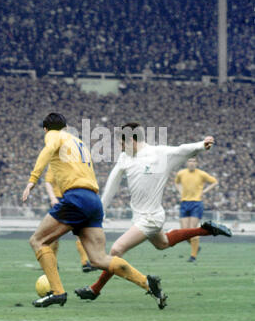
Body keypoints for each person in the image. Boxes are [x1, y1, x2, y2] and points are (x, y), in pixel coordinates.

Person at [22, 113, 166, 309]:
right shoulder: (78, 142)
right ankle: (147, 283)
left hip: (76, 198)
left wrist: (32, 180)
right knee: (99, 259)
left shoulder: (54, 135)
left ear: (47, 129)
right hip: (93, 200)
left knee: (37, 241)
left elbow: (48, 150)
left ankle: (57, 293)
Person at [75, 123, 231, 302]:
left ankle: (95, 289)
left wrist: (201, 145)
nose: (120, 147)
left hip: (152, 218)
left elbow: (182, 150)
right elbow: (112, 184)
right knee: (162, 243)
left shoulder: (160, 154)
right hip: (140, 218)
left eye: (122, 143)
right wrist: (100, 212)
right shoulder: (125, 157)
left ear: (133, 140)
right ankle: (206, 230)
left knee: (117, 249)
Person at [45, 164, 97, 272]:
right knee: (55, 234)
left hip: (73, 198)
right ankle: (52, 263)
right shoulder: (55, 163)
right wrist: (52, 198)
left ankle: (85, 262)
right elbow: (48, 182)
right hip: (59, 200)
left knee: (81, 231)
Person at [175, 157, 218, 262]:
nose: (191, 163)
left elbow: (214, 182)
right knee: (184, 233)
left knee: (192, 229)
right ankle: (196, 247)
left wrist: (204, 191)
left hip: (196, 203)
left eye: (194, 161)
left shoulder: (201, 174)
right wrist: (180, 192)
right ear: (186, 163)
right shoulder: (181, 173)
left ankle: (193, 256)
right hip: (184, 202)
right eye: (190, 161)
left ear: (197, 163)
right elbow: (177, 182)